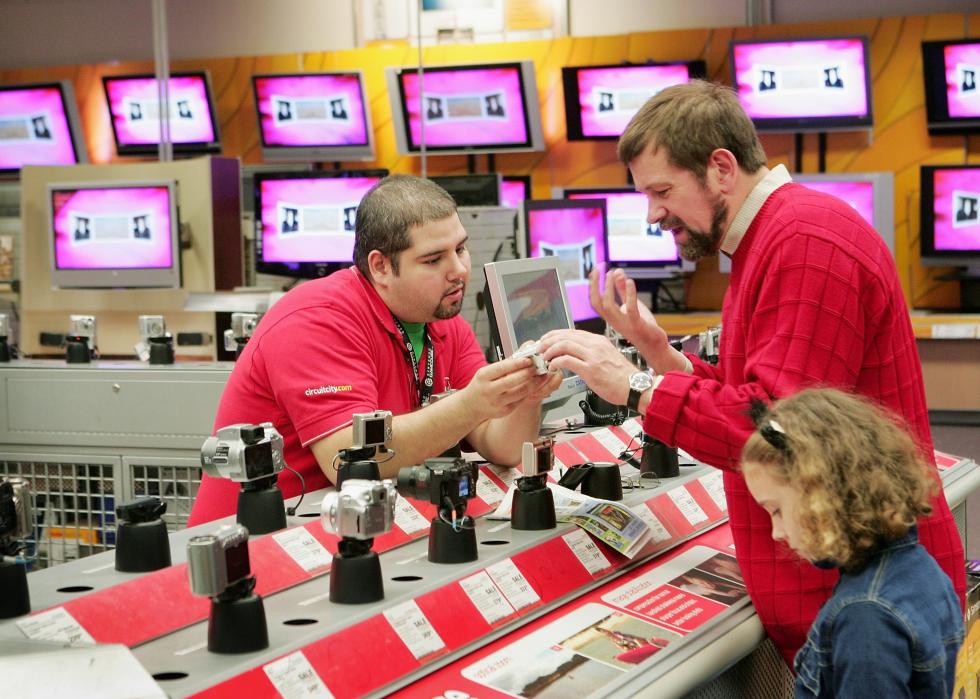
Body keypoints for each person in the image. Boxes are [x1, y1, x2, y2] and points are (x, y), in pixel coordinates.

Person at [538, 80, 965, 665]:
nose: (653, 213)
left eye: (662, 190)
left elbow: (777, 435)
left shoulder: (805, 243)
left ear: (720, 168)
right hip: (842, 590)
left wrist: (636, 387)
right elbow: (768, 392)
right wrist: (664, 357)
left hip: (862, 610)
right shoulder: (777, 235)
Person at [188, 175, 560, 525]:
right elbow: (349, 460)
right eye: (434, 260)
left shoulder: (444, 323)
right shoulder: (319, 319)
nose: (459, 270)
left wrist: (525, 394)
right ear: (380, 266)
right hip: (265, 539)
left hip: (360, 524)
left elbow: (504, 448)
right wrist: (473, 403)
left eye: (460, 249)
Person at [741, 388, 963, 696]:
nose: (776, 532)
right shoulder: (920, 568)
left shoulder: (865, 618)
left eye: (776, 510)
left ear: (821, 495)